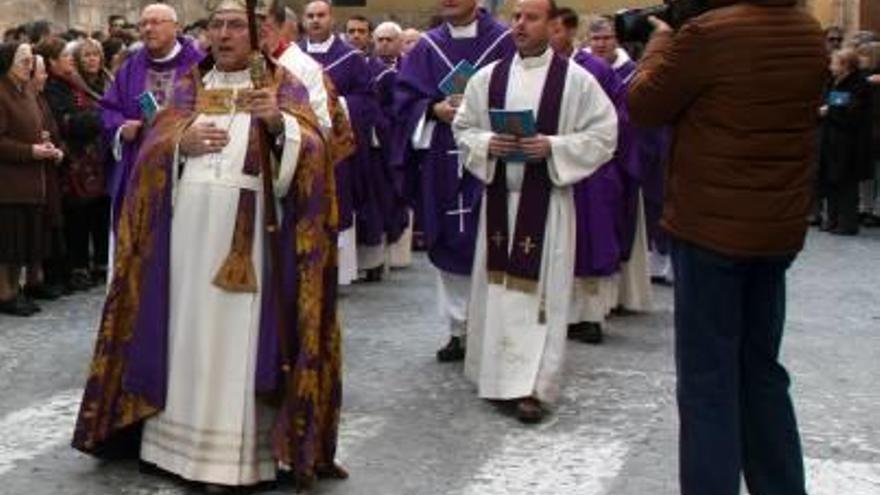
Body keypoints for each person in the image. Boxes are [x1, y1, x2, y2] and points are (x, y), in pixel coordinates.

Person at [71, 0, 344, 490]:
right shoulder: (188, 87)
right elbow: (152, 150)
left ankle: (233, 459)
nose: (223, 34)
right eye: (216, 25)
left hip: (253, 242)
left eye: (235, 25)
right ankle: (171, 448)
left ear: (258, 33)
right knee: (185, 332)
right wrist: (180, 145)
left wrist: (281, 127)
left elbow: (321, 155)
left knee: (236, 341)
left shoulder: (284, 86)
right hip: (187, 242)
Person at [627, 0, 827, 492]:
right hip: (775, 228)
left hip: (711, 229)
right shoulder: (807, 28)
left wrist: (659, 41)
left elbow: (644, 105)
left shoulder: (709, 33)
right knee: (761, 371)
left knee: (706, 381)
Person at [454, 0, 617, 423]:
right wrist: (489, 144)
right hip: (498, 204)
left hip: (547, 208)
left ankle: (533, 386)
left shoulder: (576, 82)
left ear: (553, 24)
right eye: (516, 17)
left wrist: (555, 147)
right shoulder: (487, 78)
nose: (520, 25)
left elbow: (604, 135)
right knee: (499, 295)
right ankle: (495, 376)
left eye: (531, 18)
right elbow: (464, 128)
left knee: (539, 299)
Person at [393, 0, 514, 362]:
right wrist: (432, 110)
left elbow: (522, 92)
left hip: (491, 154)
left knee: (492, 238)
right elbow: (404, 99)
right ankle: (458, 330)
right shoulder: (427, 46)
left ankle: (493, 328)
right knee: (449, 236)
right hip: (442, 156)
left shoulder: (504, 42)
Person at [551, 11, 633, 345]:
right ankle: (560, 312)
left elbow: (617, 119)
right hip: (555, 163)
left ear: (569, 32)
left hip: (592, 170)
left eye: (555, 29)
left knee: (592, 239)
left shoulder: (595, 70)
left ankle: (590, 316)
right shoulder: (539, 68)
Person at [101, 3, 203, 234]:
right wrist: (120, 127)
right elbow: (109, 108)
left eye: (156, 22)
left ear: (176, 27)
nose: (148, 29)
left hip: (186, 169)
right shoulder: (130, 68)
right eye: (143, 24)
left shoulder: (200, 65)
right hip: (140, 166)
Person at [303, 0, 384, 284]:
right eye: (310, 16)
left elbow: (366, 98)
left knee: (339, 199)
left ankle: (340, 272)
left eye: (321, 15)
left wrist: (335, 105)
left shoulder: (350, 58)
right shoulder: (294, 56)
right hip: (301, 144)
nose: (315, 20)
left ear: (332, 19)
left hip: (337, 147)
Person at [586, 16, 652, 314]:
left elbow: (635, 118)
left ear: (618, 41)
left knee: (620, 225)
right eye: (595, 38)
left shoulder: (631, 74)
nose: (601, 44)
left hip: (620, 160)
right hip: (585, 164)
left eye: (607, 38)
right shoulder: (578, 69)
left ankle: (621, 295)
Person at [40, 37, 111, 290]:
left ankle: (101, 264)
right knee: (78, 216)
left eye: (96, 55)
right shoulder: (57, 87)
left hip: (101, 158)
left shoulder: (106, 80)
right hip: (76, 161)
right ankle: (78, 267)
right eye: (84, 56)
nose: (92, 60)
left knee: (101, 213)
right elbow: (68, 121)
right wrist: (103, 117)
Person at [0, 42, 64, 316]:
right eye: (24, 61)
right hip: (8, 183)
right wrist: (30, 150)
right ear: (7, 64)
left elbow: (35, 125)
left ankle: (16, 290)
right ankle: (4, 293)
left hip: (30, 180)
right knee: (7, 245)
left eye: (30, 61)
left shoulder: (25, 90)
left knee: (20, 245)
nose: (30, 66)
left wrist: (44, 141)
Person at [370, 21, 412, 269]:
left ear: (399, 42)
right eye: (380, 40)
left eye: (389, 39)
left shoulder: (409, 69)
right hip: (380, 142)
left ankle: (399, 256)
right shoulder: (368, 70)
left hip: (403, 139)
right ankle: (380, 256)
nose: (384, 44)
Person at [819, 48, 873, 236]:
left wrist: (829, 110)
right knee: (831, 181)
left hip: (849, 144)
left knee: (846, 184)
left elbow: (852, 111)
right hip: (831, 140)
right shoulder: (832, 81)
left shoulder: (859, 85)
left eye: (834, 62)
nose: (830, 66)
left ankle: (847, 223)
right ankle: (832, 219)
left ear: (845, 66)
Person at [29, 54, 67, 301]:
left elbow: (53, 131)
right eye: (40, 72)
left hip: (48, 169)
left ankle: (40, 278)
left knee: (47, 226)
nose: (44, 76)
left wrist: (58, 148)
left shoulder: (40, 99)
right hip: (32, 173)